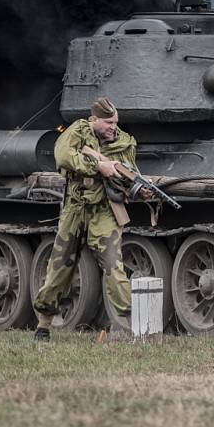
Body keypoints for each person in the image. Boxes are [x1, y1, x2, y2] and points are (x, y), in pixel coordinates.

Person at [32, 97, 139, 340]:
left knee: (114, 265)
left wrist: (126, 179)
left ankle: (129, 327)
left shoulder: (125, 142)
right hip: (75, 207)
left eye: (115, 122)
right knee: (59, 268)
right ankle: (43, 325)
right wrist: (98, 166)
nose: (113, 127)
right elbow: (63, 157)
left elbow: (129, 171)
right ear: (94, 120)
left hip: (104, 209)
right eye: (108, 122)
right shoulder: (77, 131)